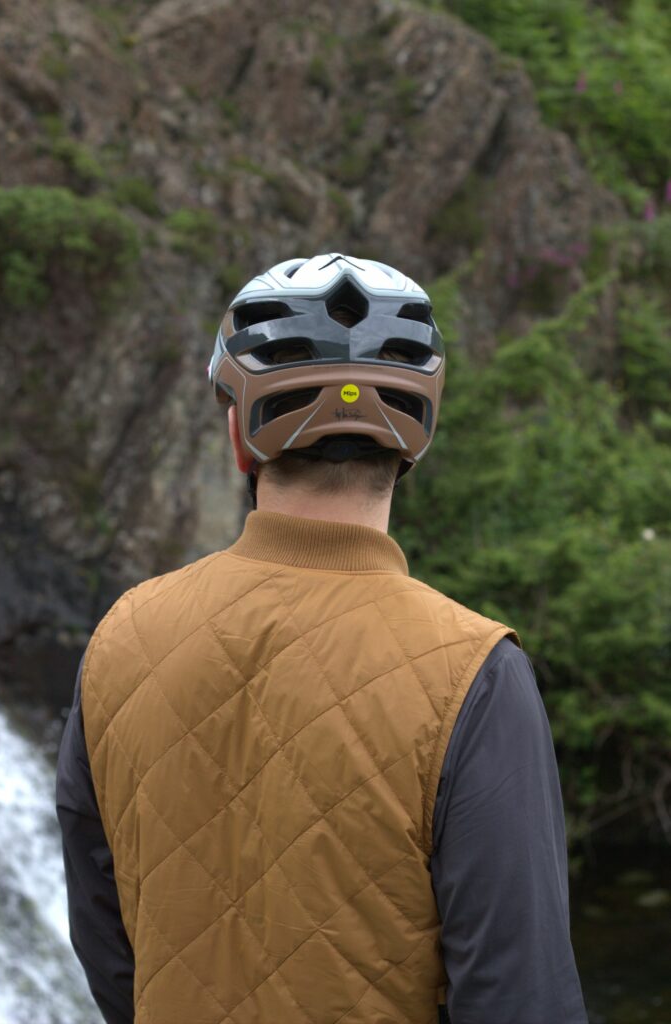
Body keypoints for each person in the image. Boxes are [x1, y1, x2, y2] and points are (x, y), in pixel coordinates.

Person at [56, 253, 589, 1024]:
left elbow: (109, 950)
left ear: (240, 435)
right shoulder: (474, 672)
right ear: (416, 438)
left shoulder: (122, 637)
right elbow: (522, 997)